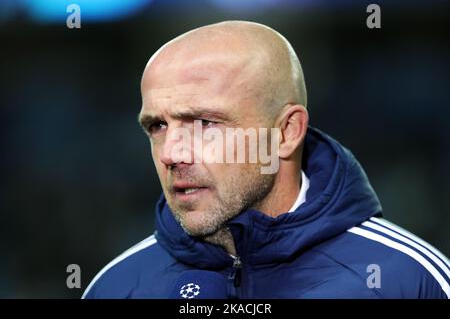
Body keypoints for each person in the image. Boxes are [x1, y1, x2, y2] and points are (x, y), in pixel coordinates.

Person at [82, 21, 450, 299]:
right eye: (158, 125)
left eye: (206, 123)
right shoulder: (115, 287)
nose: (172, 153)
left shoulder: (409, 280)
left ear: (287, 132)